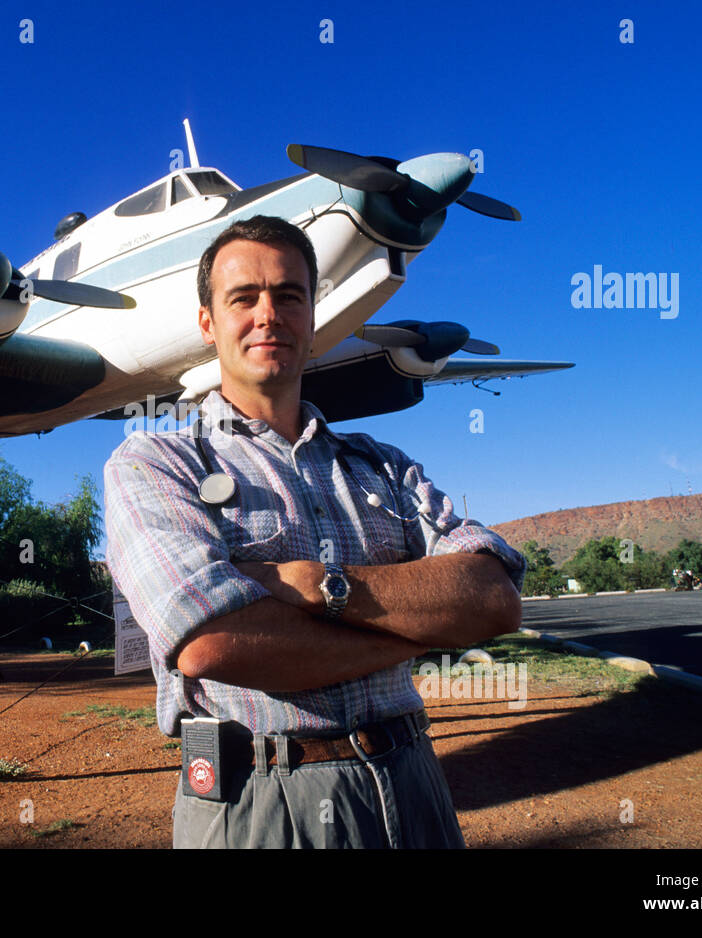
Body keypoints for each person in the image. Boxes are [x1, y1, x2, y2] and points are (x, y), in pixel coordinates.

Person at [103, 215, 526, 848]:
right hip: (259, 799)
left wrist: (313, 584)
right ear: (208, 323)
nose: (268, 314)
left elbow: (494, 597)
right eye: (243, 297)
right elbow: (212, 643)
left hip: (414, 783)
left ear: (313, 317)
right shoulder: (155, 463)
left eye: (289, 295)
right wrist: (419, 631)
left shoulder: (384, 465)